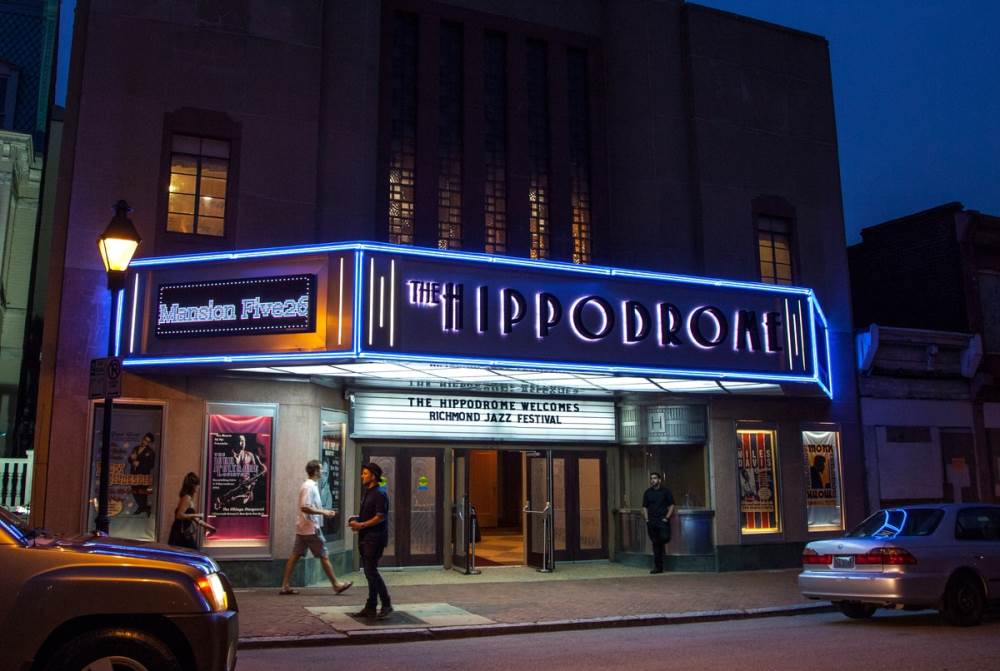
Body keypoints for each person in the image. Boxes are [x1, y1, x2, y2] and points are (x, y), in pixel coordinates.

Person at [279, 460, 353, 596]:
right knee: (324, 555)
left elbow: (308, 507)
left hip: (303, 528)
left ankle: (285, 586)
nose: (323, 472)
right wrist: (324, 512)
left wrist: (324, 511)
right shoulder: (309, 487)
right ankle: (336, 585)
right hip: (311, 529)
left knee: (295, 556)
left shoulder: (310, 485)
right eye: (321, 469)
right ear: (316, 471)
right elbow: (305, 507)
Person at [349, 462, 391, 619]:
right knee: (369, 572)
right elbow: (369, 514)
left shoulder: (380, 493)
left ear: (373, 476)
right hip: (366, 538)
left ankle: (386, 604)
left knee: (371, 572)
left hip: (375, 539)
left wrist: (361, 525)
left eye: (365, 473)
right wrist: (356, 521)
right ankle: (371, 606)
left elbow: (380, 516)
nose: (362, 476)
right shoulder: (369, 492)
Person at [168, 472, 215, 549]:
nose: (198, 487)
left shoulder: (189, 498)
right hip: (180, 533)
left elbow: (196, 520)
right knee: (193, 553)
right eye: (197, 485)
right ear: (192, 486)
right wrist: (197, 515)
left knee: (190, 554)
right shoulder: (187, 498)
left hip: (184, 532)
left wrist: (209, 527)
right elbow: (179, 515)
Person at [642, 471, 675, 574]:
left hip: (662, 520)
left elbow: (672, 505)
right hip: (652, 521)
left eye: (655, 478)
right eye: (651, 478)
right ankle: (658, 567)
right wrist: (647, 519)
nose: (652, 480)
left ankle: (660, 551)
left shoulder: (666, 492)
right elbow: (644, 507)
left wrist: (666, 517)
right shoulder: (647, 492)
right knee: (655, 544)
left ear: (659, 480)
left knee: (665, 538)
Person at [128, 433, 156, 516]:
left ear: (149, 443)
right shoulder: (135, 448)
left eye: (147, 441)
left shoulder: (151, 452)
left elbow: (151, 465)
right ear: (142, 439)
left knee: (142, 492)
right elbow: (129, 459)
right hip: (134, 474)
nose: (144, 442)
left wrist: (139, 464)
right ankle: (145, 507)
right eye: (144, 439)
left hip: (143, 475)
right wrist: (132, 460)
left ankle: (142, 507)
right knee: (134, 491)